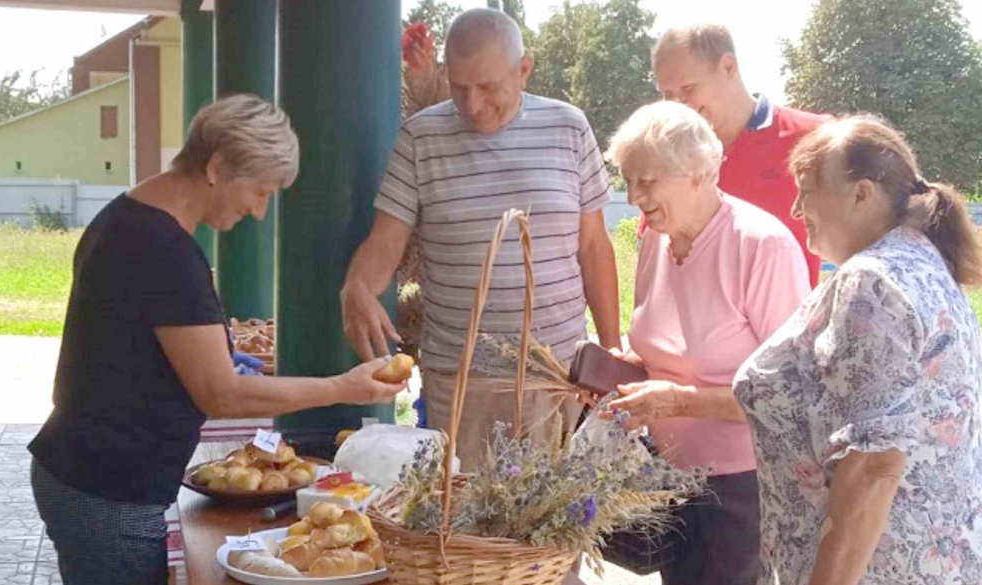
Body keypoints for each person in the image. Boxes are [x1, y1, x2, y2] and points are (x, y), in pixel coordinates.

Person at [27, 95, 406, 585]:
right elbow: (221, 392)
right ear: (218, 166)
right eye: (260, 192)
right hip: (109, 492)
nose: (260, 212)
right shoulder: (162, 250)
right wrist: (343, 386)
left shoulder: (129, 217)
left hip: (87, 477)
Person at [340, 8, 620, 469]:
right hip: (461, 380)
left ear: (524, 69)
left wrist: (609, 352)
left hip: (558, 377)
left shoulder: (569, 127)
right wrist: (357, 287)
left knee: (554, 530)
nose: (471, 106)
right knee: (464, 522)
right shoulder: (420, 137)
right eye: (458, 87)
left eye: (488, 88)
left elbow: (593, 247)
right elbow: (384, 243)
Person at [733, 115, 982, 585]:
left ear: (861, 194)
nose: (795, 208)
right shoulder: (918, 261)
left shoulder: (871, 282)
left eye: (808, 190)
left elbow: (875, 466)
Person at [602, 101, 811, 585]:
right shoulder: (656, 238)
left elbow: (790, 393)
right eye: (629, 180)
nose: (634, 195)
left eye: (647, 181)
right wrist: (617, 372)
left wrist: (677, 401)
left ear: (698, 172)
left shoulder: (761, 246)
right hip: (669, 474)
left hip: (742, 484)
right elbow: (661, 351)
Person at [650, 23, 829, 286]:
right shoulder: (664, 155)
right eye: (668, 95)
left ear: (728, 67)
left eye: (687, 89)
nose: (679, 106)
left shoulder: (815, 137)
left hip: (789, 322)